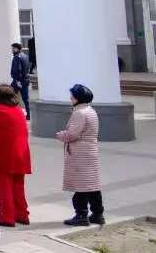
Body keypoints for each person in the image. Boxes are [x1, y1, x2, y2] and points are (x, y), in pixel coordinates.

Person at [58, 84, 103, 227]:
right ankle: (97, 214)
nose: (70, 97)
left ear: (78, 98)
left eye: (72, 95)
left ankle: (81, 215)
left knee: (81, 186)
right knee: (92, 185)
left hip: (80, 153)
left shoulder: (79, 113)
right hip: (90, 151)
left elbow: (72, 134)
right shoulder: (91, 111)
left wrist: (60, 135)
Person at [0, 85, 31, 227]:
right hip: (22, 154)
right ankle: (22, 214)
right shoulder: (18, 111)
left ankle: (7, 216)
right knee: (18, 185)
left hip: (4, 154)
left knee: (3, 186)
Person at [9, 43, 32, 120]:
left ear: (16, 49)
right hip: (26, 80)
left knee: (9, 96)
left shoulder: (17, 57)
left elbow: (17, 70)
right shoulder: (25, 56)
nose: (12, 50)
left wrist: (17, 81)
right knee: (26, 99)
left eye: (13, 49)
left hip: (18, 81)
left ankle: (13, 113)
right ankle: (29, 115)